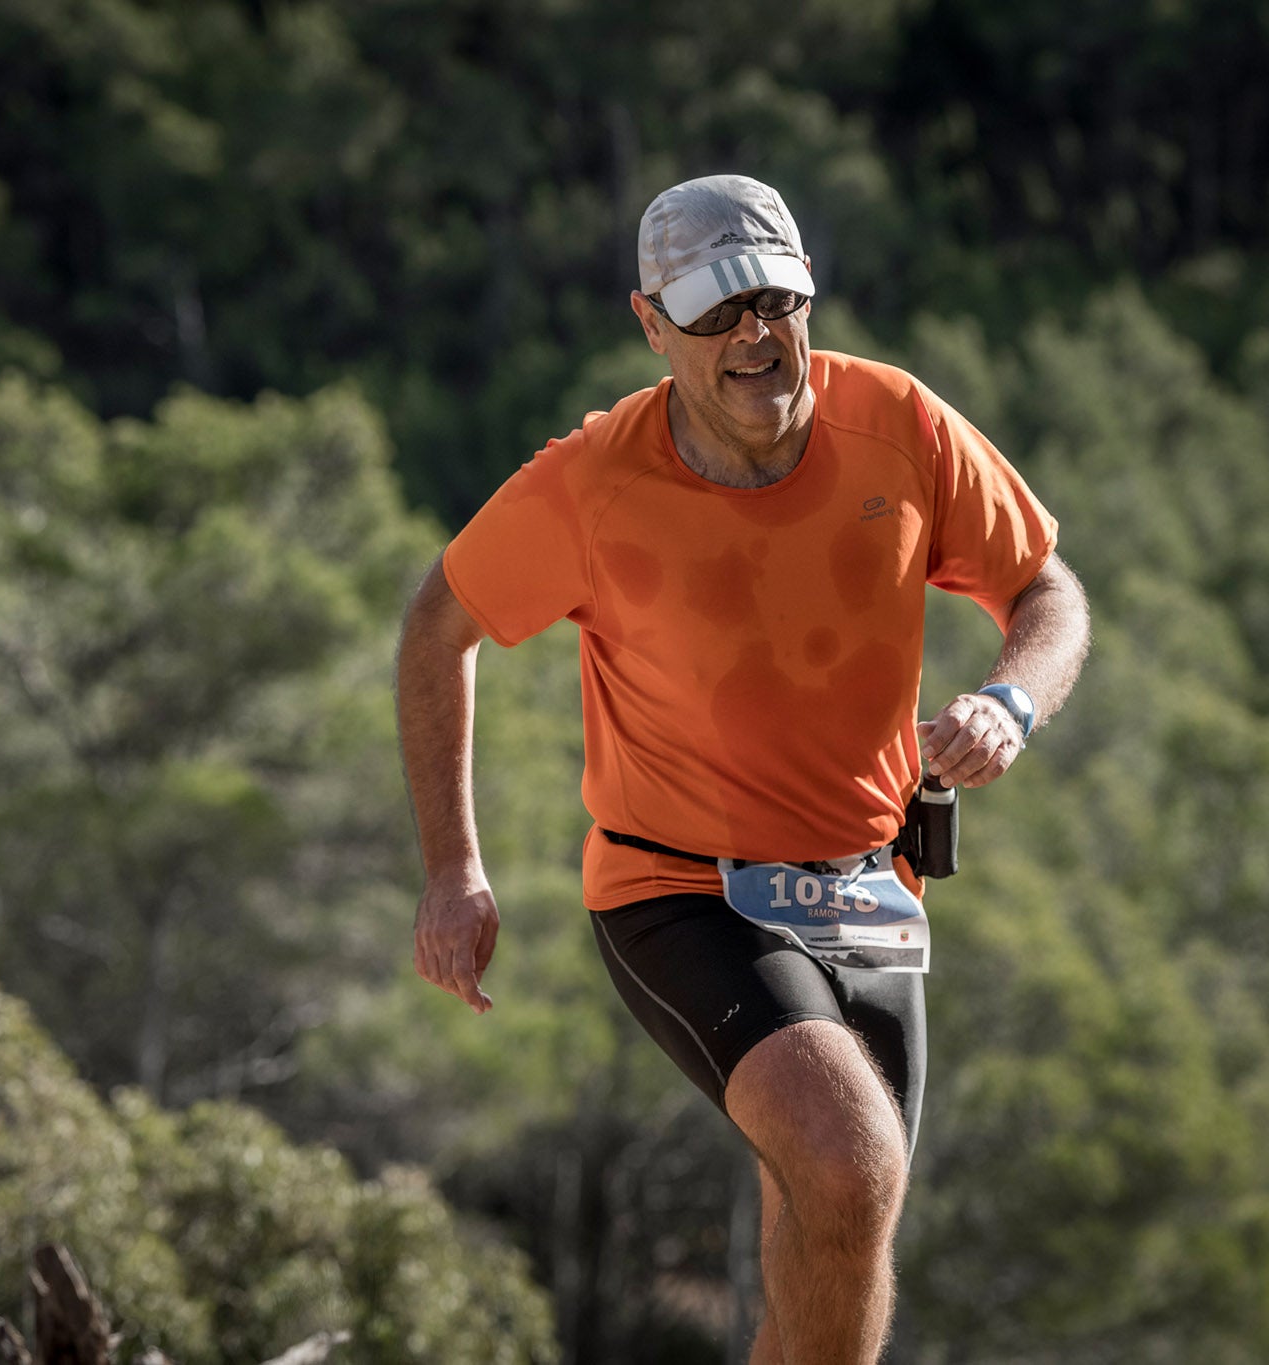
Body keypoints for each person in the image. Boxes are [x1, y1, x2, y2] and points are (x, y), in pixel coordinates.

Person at [395, 174, 1091, 1364]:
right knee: (848, 1164)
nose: (754, 337)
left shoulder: (901, 425)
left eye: (775, 299)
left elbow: (1044, 588)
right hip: (678, 890)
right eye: (714, 312)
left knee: (836, 1228)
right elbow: (434, 634)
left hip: (874, 890)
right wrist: (454, 868)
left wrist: (1011, 700)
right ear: (650, 324)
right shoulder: (587, 485)